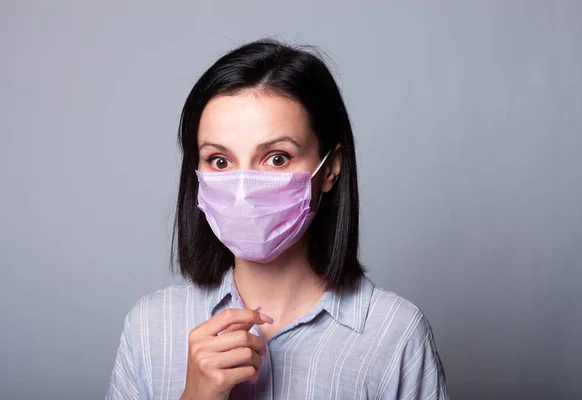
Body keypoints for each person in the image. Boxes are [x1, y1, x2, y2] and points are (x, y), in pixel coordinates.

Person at [106, 39, 449, 400]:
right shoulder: (149, 328)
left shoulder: (394, 336)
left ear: (330, 168)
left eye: (277, 158)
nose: (244, 189)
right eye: (220, 161)